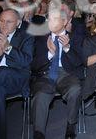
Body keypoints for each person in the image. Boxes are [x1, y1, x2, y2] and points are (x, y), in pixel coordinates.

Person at [31, 9, 84, 139]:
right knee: (40, 95)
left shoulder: (75, 37)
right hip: (45, 74)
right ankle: (39, 133)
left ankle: (71, 125)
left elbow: (79, 63)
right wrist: (50, 54)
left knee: (75, 89)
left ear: (65, 21)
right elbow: (34, 66)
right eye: (49, 19)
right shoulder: (40, 38)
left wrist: (67, 48)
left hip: (67, 74)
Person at [0, 9, 34, 139]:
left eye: (8, 22)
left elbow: (26, 61)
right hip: (0, 82)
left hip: (18, 78)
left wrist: (7, 47)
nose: (4, 25)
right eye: (1, 21)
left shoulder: (27, 35)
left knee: (3, 71)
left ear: (18, 23)